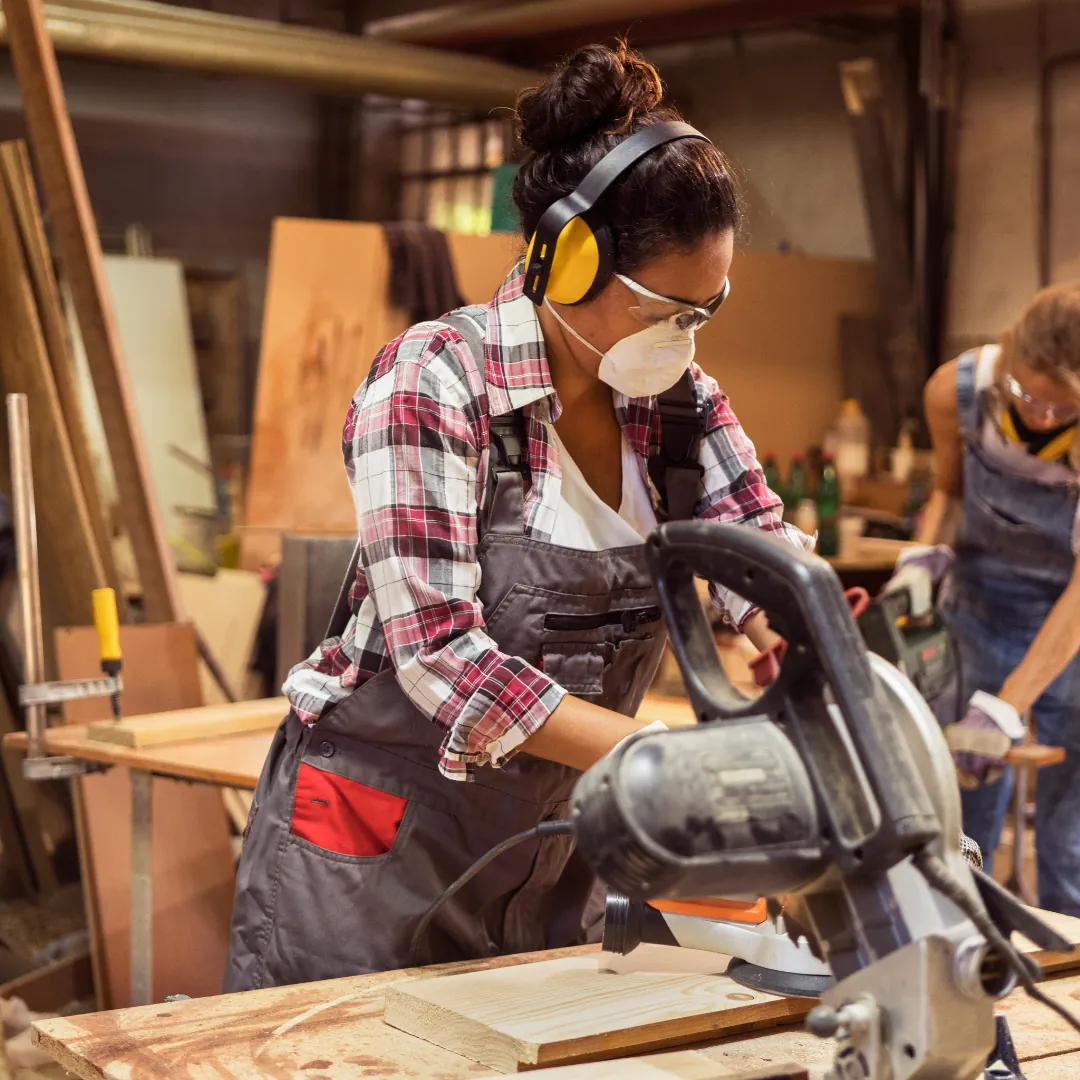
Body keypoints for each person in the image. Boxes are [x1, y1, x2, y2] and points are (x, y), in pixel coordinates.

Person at [225, 41, 810, 992]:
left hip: (550, 850)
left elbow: (759, 542)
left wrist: (790, 627)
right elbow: (444, 659)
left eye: (705, 313)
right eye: (669, 309)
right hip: (376, 851)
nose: (685, 339)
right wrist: (668, 754)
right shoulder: (433, 382)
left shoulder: (676, 402)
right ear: (571, 258)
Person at [889, 284, 1080, 916]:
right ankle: (970, 960)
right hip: (980, 609)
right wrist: (923, 553)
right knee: (963, 825)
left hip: (1071, 624)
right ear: (1009, 355)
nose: (1044, 420)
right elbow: (948, 490)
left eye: (1065, 410)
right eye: (1031, 400)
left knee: (1069, 845)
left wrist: (1008, 707)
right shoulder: (956, 392)